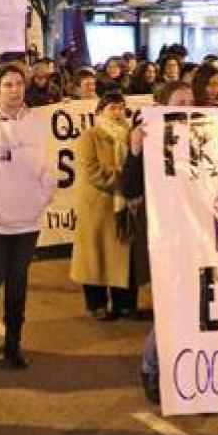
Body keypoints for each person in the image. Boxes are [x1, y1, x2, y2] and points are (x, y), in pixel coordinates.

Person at [0, 63, 57, 369]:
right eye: (7, 85)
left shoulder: (37, 124)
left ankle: (13, 342)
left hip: (27, 221)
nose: (14, 90)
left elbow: (49, 168)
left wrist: (40, 200)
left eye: (18, 84)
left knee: (18, 283)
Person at [123, 80, 193, 405]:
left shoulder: (200, 133)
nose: (187, 108)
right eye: (180, 102)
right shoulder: (147, 136)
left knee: (194, 305)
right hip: (165, 234)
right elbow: (131, 188)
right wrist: (135, 152)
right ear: (162, 105)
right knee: (172, 305)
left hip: (197, 234)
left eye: (190, 101)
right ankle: (152, 367)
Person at [72, 91, 137, 320]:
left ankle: (124, 303)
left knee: (124, 255)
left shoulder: (131, 135)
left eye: (121, 107)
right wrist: (123, 180)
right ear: (100, 111)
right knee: (95, 256)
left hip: (124, 205)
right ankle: (96, 304)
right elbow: (91, 170)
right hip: (98, 206)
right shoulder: (90, 136)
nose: (118, 112)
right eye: (112, 107)